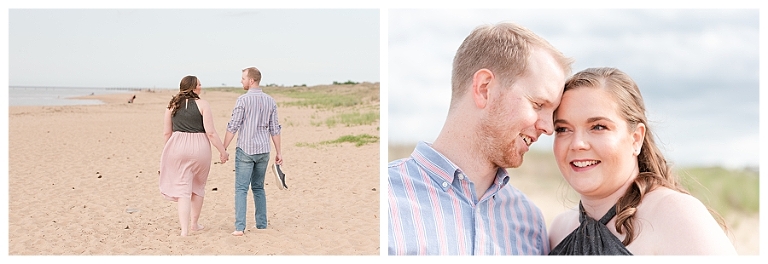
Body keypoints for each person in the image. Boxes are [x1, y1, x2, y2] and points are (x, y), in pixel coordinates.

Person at [388, 22, 573, 255]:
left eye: (552, 113)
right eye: (538, 104)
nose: (548, 128)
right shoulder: (384, 198)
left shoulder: (530, 222)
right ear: (485, 88)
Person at [547, 67, 737, 255]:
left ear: (636, 138)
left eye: (598, 127)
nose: (577, 144)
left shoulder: (675, 215)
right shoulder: (559, 229)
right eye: (563, 129)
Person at [159, 75, 229, 236]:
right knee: (198, 186)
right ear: (192, 88)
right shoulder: (203, 104)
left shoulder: (172, 106)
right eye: (199, 84)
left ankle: (184, 231)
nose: (201, 86)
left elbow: (166, 133)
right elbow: (210, 132)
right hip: (200, 148)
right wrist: (222, 151)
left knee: (183, 189)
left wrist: (168, 152)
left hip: (177, 147)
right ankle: (194, 224)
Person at [223, 67, 283, 236]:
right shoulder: (270, 101)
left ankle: (240, 228)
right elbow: (275, 129)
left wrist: (224, 147)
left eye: (243, 78)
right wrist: (279, 152)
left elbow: (233, 125)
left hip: (246, 150)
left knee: (241, 189)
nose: (241, 81)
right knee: (258, 188)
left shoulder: (242, 100)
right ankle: (261, 225)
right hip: (264, 150)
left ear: (251, 80)